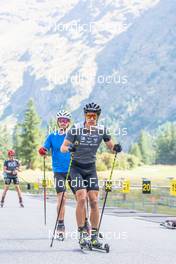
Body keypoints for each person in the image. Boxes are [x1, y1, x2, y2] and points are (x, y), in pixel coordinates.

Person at [61, 102, 122, 247]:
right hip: (75, 168)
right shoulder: (76, 129)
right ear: (85, 116)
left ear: (98, 117)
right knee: (81, 198)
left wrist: (116, 148)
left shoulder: (102, 130)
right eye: (89, 115)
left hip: (90, 169)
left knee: (93, 201)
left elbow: (111, 147)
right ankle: (82, 233)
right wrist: (70, 147)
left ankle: (94, 236)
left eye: (94, 116)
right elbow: (62, 147)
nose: (91, 118)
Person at [38, 110, 89, 239]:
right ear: (58, 122)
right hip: (59, 171)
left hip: (74, 170)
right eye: (60, 120)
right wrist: (43, 151)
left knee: (81, 197)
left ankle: (85, 222)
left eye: (65, 120)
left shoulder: (73, 135)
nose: (63, 122)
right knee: (62, 197)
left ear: (69, 123)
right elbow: (45, 149)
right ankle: (60, 225)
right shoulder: (52, 136)